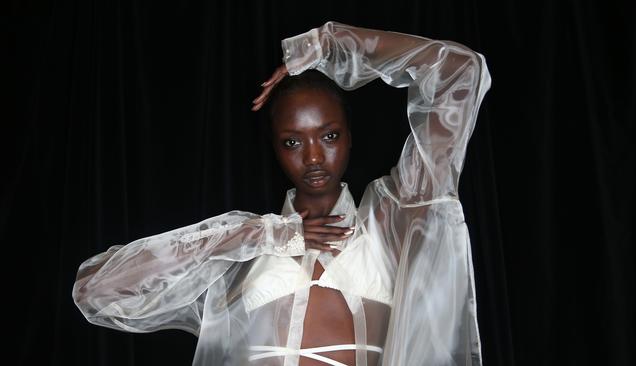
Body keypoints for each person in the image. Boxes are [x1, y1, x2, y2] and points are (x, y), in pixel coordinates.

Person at [72, 21, 491, 366]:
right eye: (293, 142)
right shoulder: (244, 250)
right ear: (274, 147)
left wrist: (328, 45)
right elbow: (96, 291)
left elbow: (462, 71)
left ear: (348, 137)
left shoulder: (390, 222)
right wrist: (262, 235)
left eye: (328, 136)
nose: (313, 157)